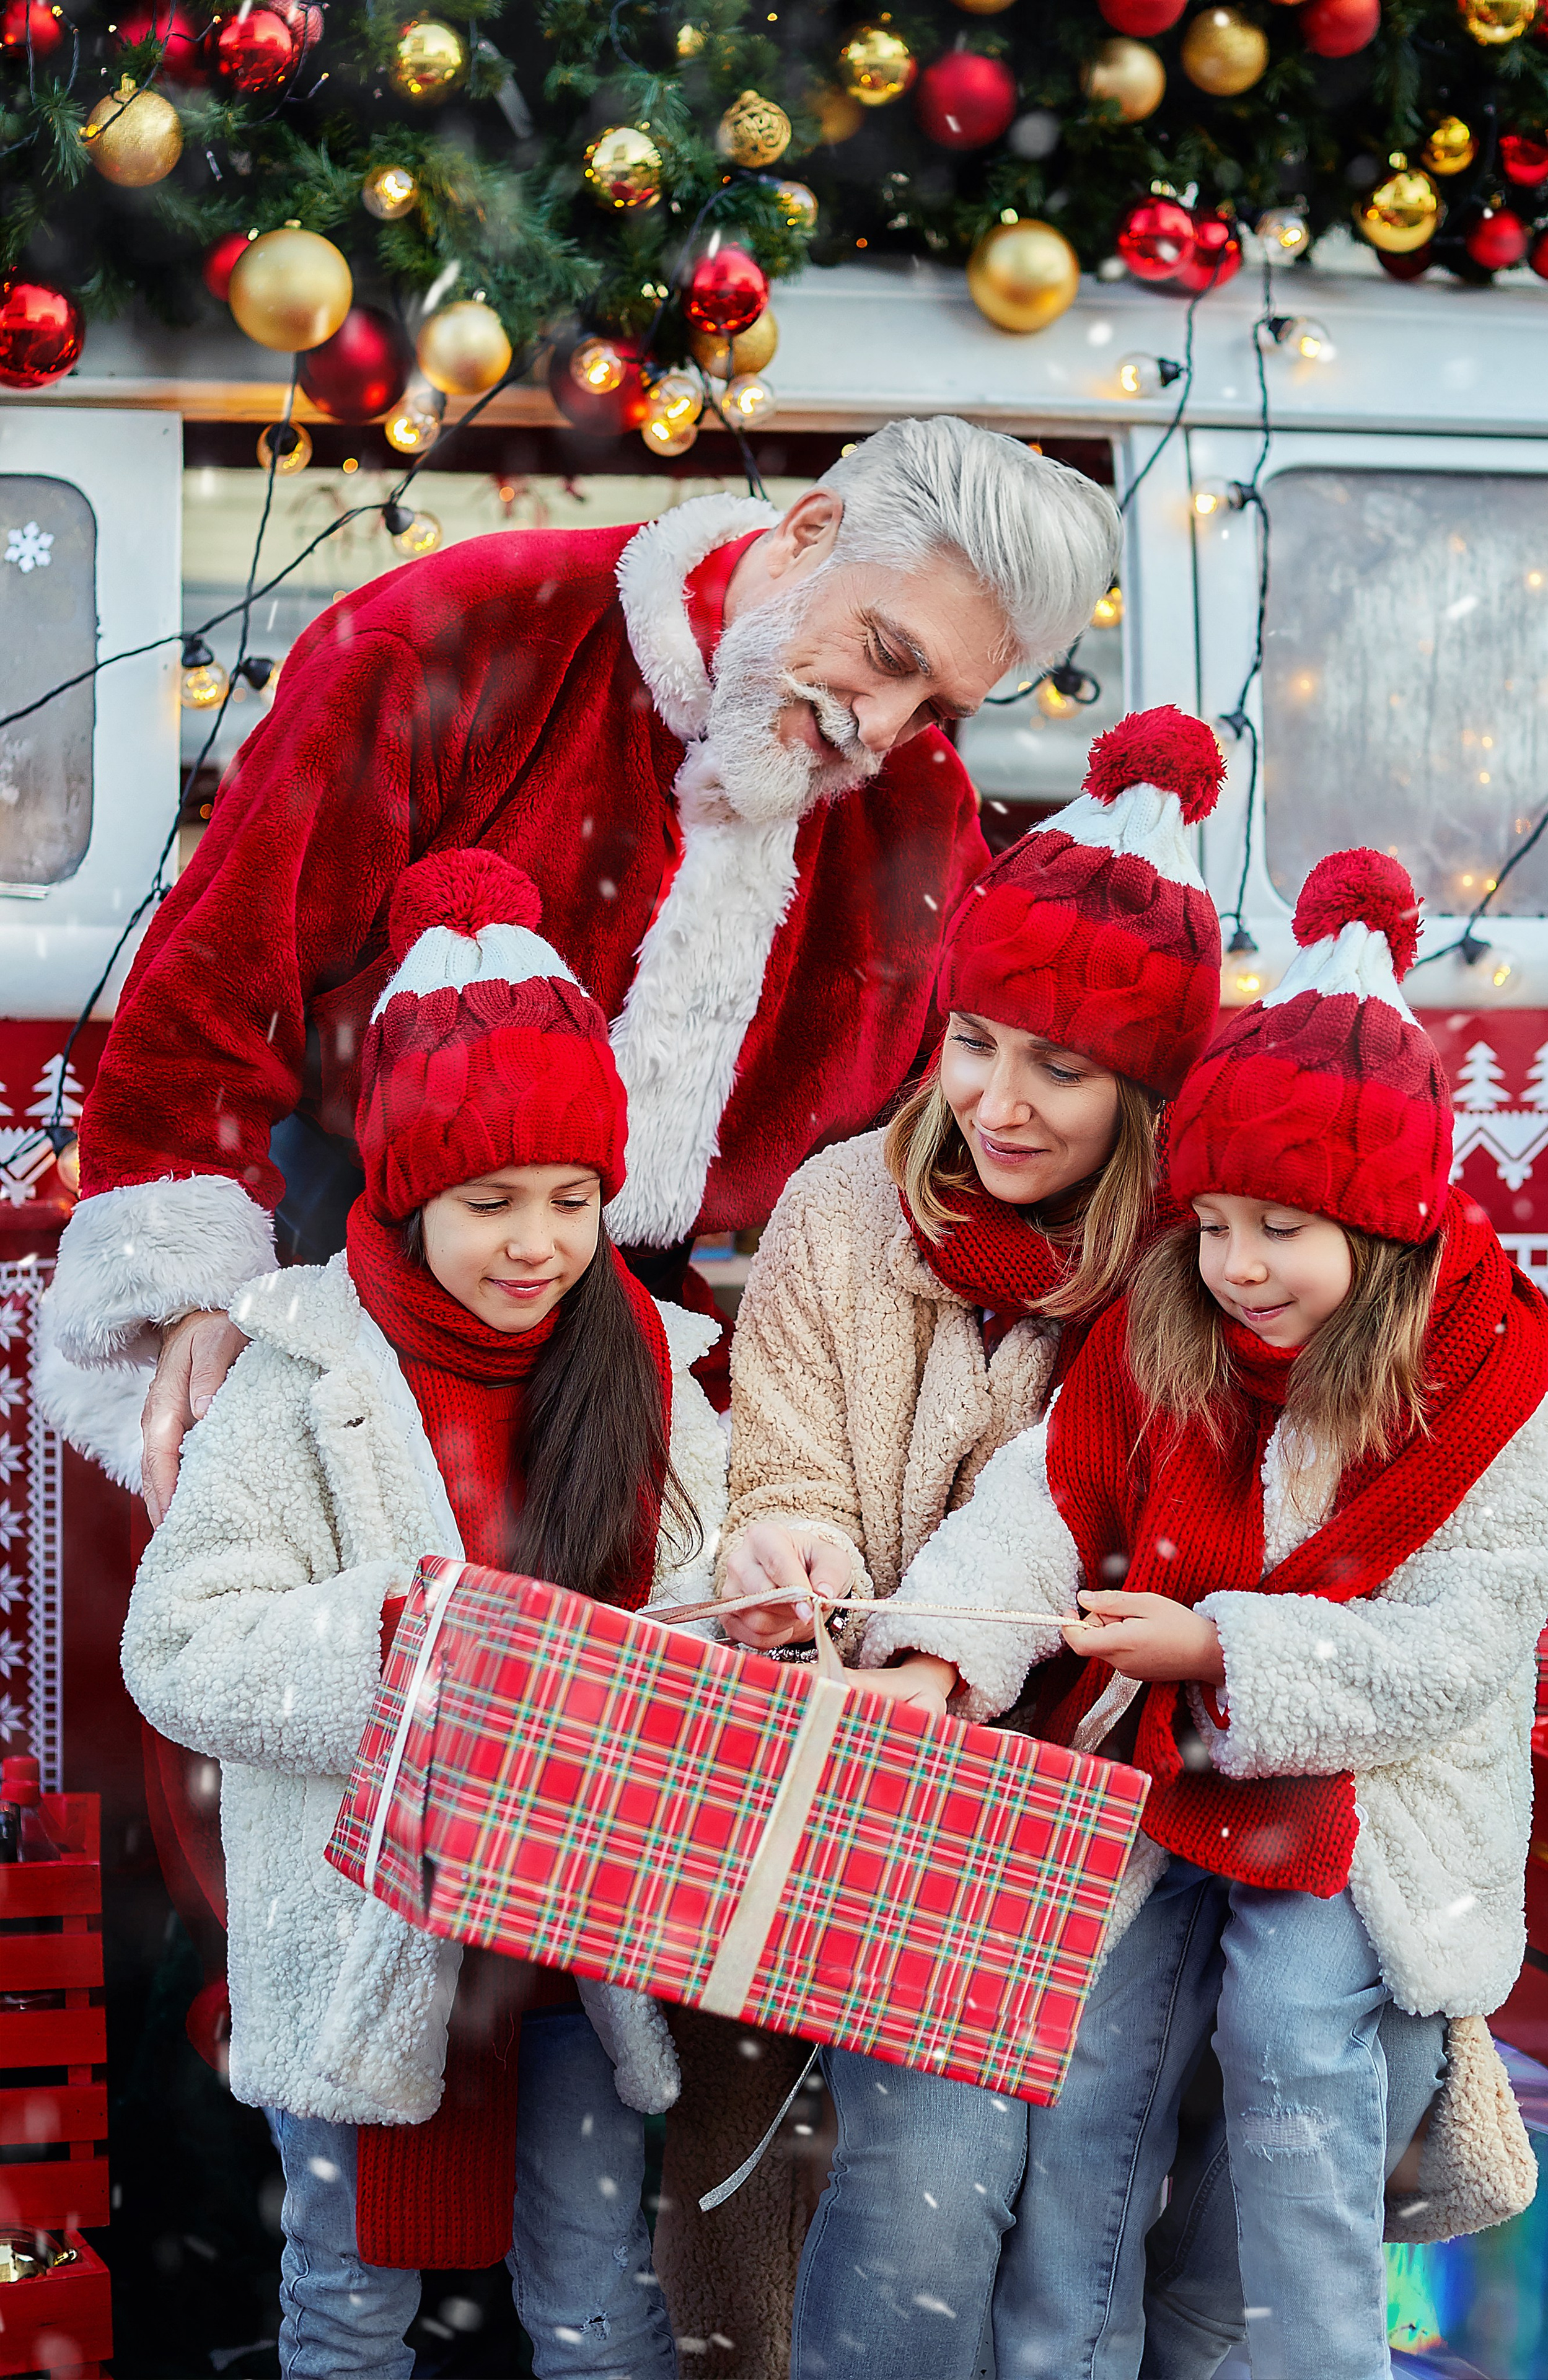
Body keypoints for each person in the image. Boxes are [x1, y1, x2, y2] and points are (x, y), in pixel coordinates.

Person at [38, 418, 1119, 1517]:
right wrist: (195, 1295)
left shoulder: (920, 804)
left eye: (937, 706)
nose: (883, 731)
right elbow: (219, 975)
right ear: (806, 531)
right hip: (344, 1251)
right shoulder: (458, 636)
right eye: (889, 654)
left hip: (646, 1332)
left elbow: (927, 1122)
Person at [864, 848, 1548, 2380]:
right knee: (1078, 2066)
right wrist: (942, 1652)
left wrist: (1221, 1648)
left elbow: (1453, 1655)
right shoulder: (1161, 1337)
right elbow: (1042, 1512)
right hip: (1162, 1771)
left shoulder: (1487, 1408)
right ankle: (1064, 2352)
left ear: (1384, 1236)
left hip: (1364, 1800)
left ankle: (1310, 2360)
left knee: (1297, 2061)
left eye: (1286, 1231)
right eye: (1215, 1222)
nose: (1240, 1268)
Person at [120, 851, 728, 2380]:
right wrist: (402, 1642)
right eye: (490, 1200)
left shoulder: (643, 1365)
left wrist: (738, 1622)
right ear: (404, 1185)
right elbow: (179, 1644)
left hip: (573, 1932)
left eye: (573, 1197)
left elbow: (700, 1604)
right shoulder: (297, 1375)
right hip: (363, 1925)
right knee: (345, 2304)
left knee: (597, 2303)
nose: (536, 1242)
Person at [688, 707, 1233, 2380]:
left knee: (1101, 2216)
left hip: (1130, 1807)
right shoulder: (842, 1212)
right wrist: (782, 1554)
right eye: (976, 1040)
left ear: (1145, 1090)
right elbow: (780, 1456)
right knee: (926, 2186)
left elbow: (1165, 1525)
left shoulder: (1200, 1265)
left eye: (1061, 1069)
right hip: (903, 1791)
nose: (998, 1100)